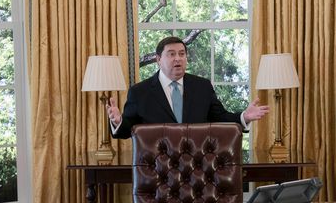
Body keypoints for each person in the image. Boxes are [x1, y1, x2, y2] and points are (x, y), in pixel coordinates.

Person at [107, 36, 269, 139]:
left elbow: (220, 118)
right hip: (157, 168)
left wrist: (244, 117)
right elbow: (128, 130)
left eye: (182, 54)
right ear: (158, 59)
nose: (178, 58)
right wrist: (118, 121)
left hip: (198, 164)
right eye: (171, 54)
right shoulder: (139, 92)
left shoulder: (202, 87)